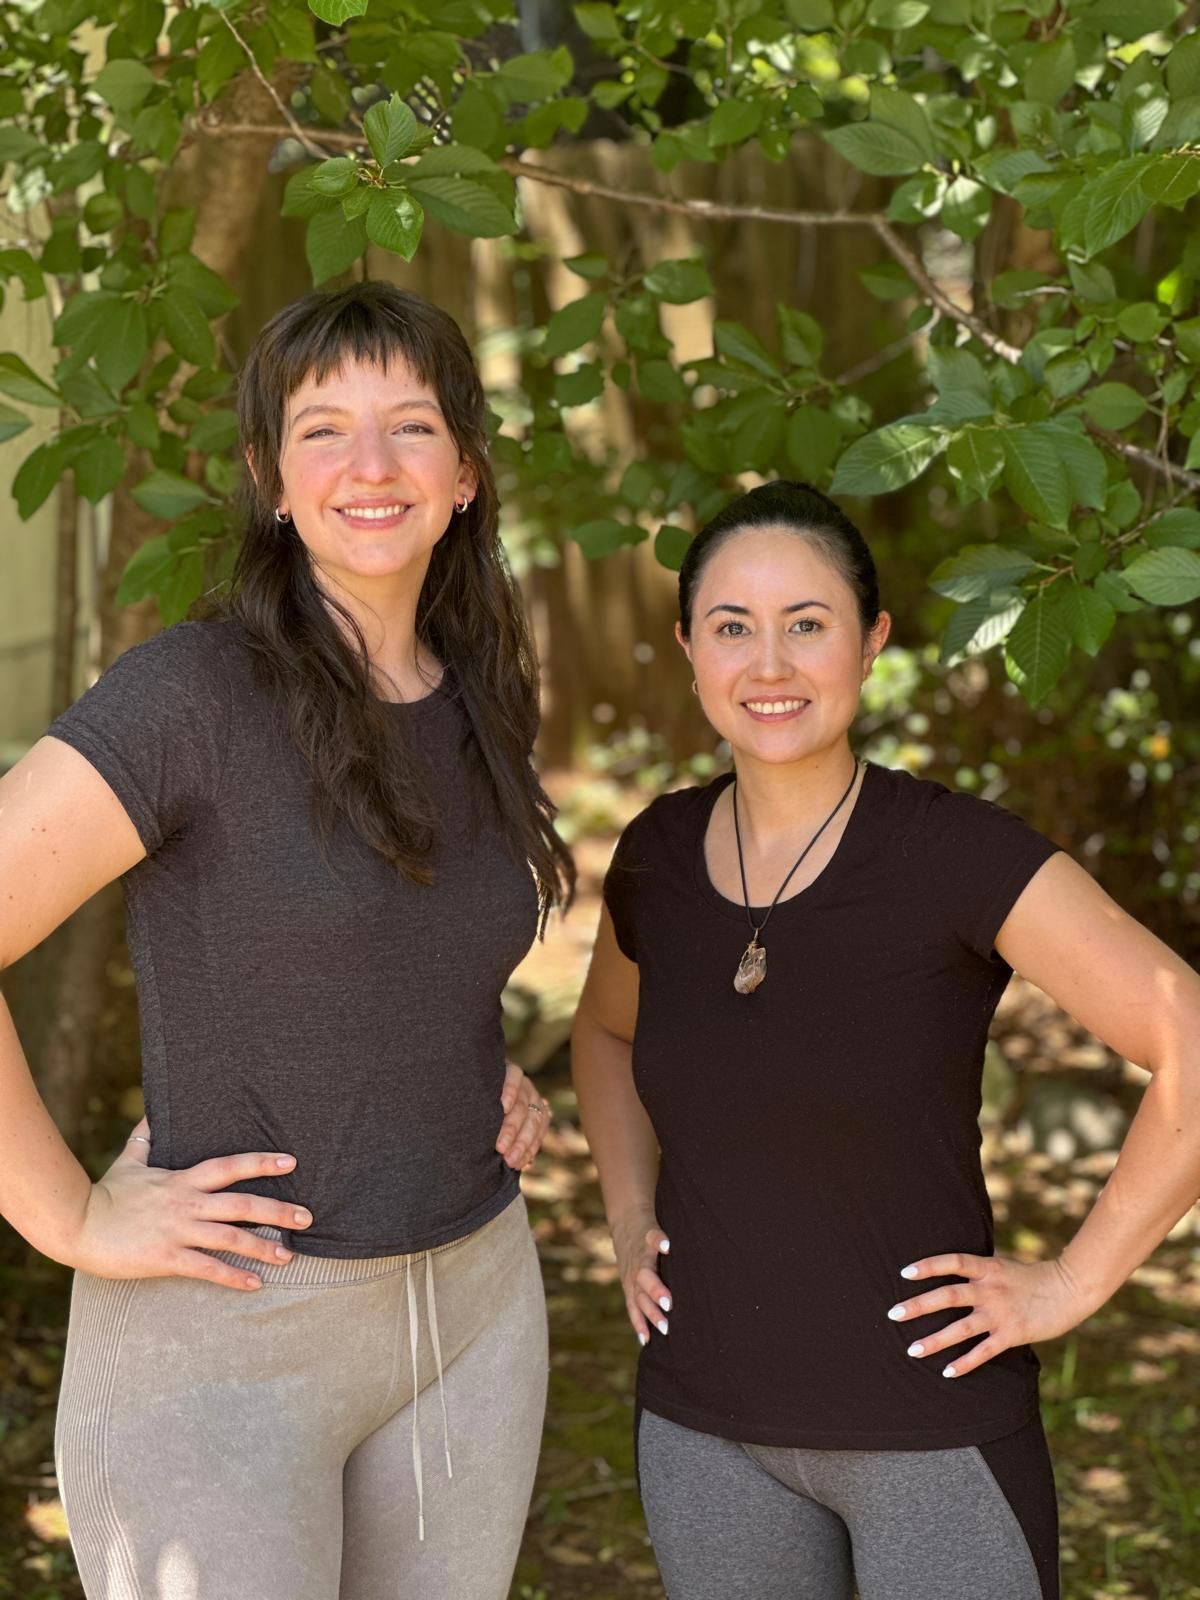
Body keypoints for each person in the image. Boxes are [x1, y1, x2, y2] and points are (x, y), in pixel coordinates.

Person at [0, 281, 574, 1600]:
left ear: (468, 471)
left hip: (473, 1318)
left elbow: (407, 944)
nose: (369, 468)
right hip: (228, 1342)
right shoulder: (190, 697)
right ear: (270, 477)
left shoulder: (479, 686)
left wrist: (472, 1062)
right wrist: (70, 1215)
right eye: (324, 429)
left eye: (410, 426)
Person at [571, 479, 1200, 1600]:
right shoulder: (657, 858)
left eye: (807, 624)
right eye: (733, 627)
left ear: (871, 645)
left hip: (932, 1439)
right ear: (687, 648)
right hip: (703, 1432)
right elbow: (606, 1038)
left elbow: (1183, 1029)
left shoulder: (951, 855)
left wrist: (1070, 1281)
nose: (770, 664)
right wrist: (627, 1216)